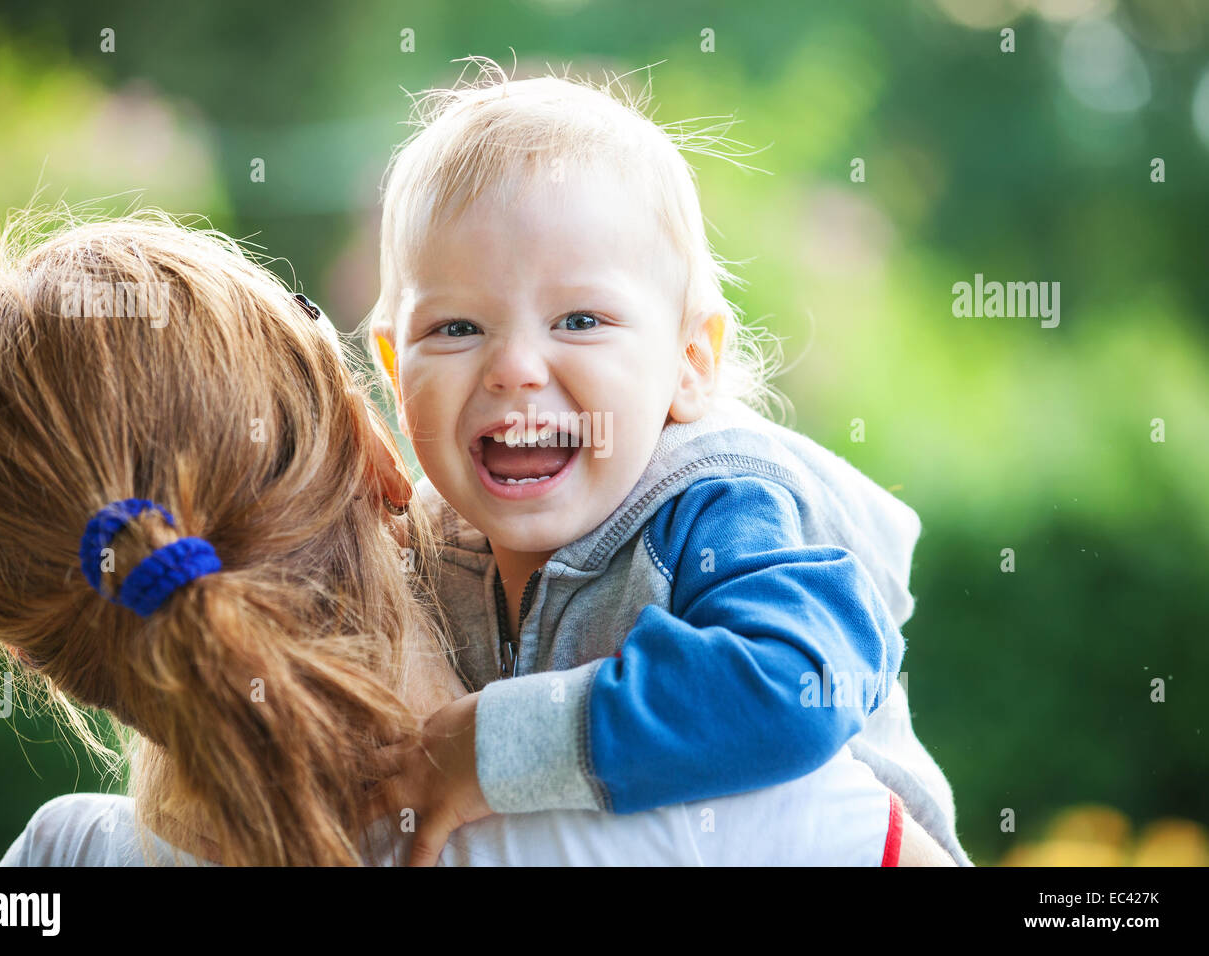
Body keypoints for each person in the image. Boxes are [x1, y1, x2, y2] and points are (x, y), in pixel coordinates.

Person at [0, 210, 950, 865]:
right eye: (455, 330)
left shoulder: (56, 857)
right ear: (375, 447)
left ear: (36, 647)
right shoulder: (731, 799)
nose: (514, 371)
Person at [364, 60, 972, 866]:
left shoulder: (714, 507)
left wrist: (493, 745)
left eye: (579, 319)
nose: (514, 367)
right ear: (392, 367)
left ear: (690, 361)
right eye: (456, 328)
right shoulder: (426, 553)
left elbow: (790, 683)